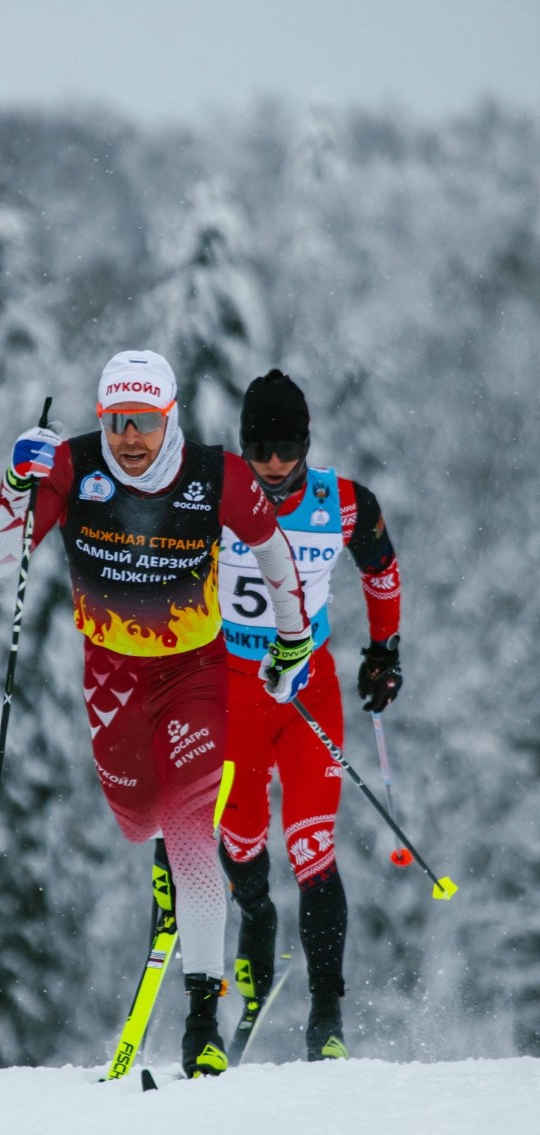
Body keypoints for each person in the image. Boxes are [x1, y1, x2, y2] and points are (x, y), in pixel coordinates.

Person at [0, 350, 313, 1078]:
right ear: (101, 420)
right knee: (137, 816)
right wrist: (15, 484)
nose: (131, 438)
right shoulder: (71, 469)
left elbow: (277, 557)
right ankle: (167, 857)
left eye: (147, 422)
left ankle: (204, 1018)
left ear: (172, 418)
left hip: (195, 673)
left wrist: (294, 642)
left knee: (193, 831)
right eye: (117, 422)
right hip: (111, 678)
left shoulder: (215, 476)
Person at [217, 369, 402, 1061]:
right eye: (260, 447)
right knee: (239, 842)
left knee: (311, 845)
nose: (272, 464)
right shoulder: (217, 495)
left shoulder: (343, 503)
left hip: (307, 691)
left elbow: (382, 572)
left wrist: (384, 653)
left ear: (306, 442)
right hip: (234, 689)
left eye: (286, 446)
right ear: (243, 445)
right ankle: (256, 922)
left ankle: (327, 1011)